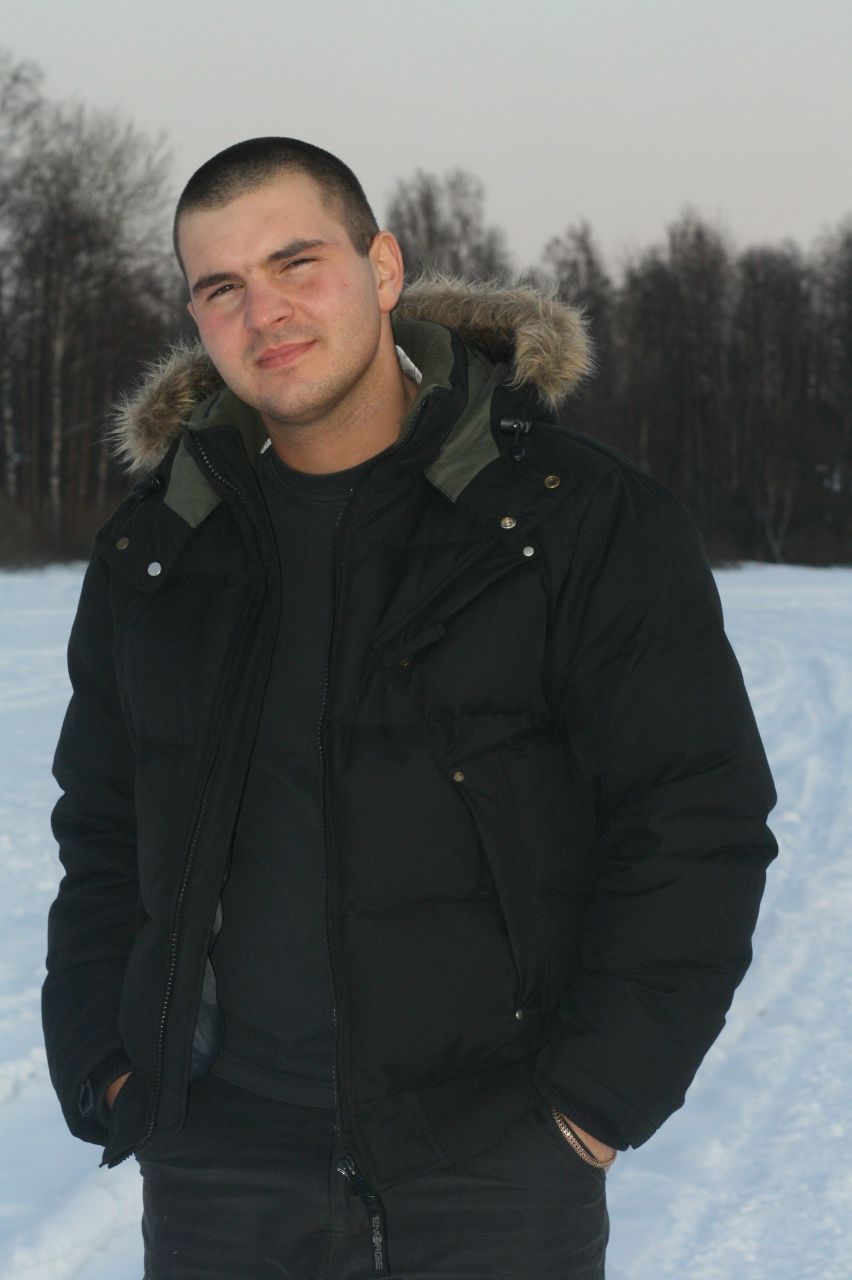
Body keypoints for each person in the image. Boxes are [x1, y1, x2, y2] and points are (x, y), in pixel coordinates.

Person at [42, 137, 778, 1280]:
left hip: (495, 1170)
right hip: (220, 1177)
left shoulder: (571, 514)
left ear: (383, 267)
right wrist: (109, 1061)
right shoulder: (159, 546)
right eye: (221, 286)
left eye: (297, 263)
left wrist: (590, 1104)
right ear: (195, 315)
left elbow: (696, 819)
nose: (264, 312)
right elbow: (100, 829)